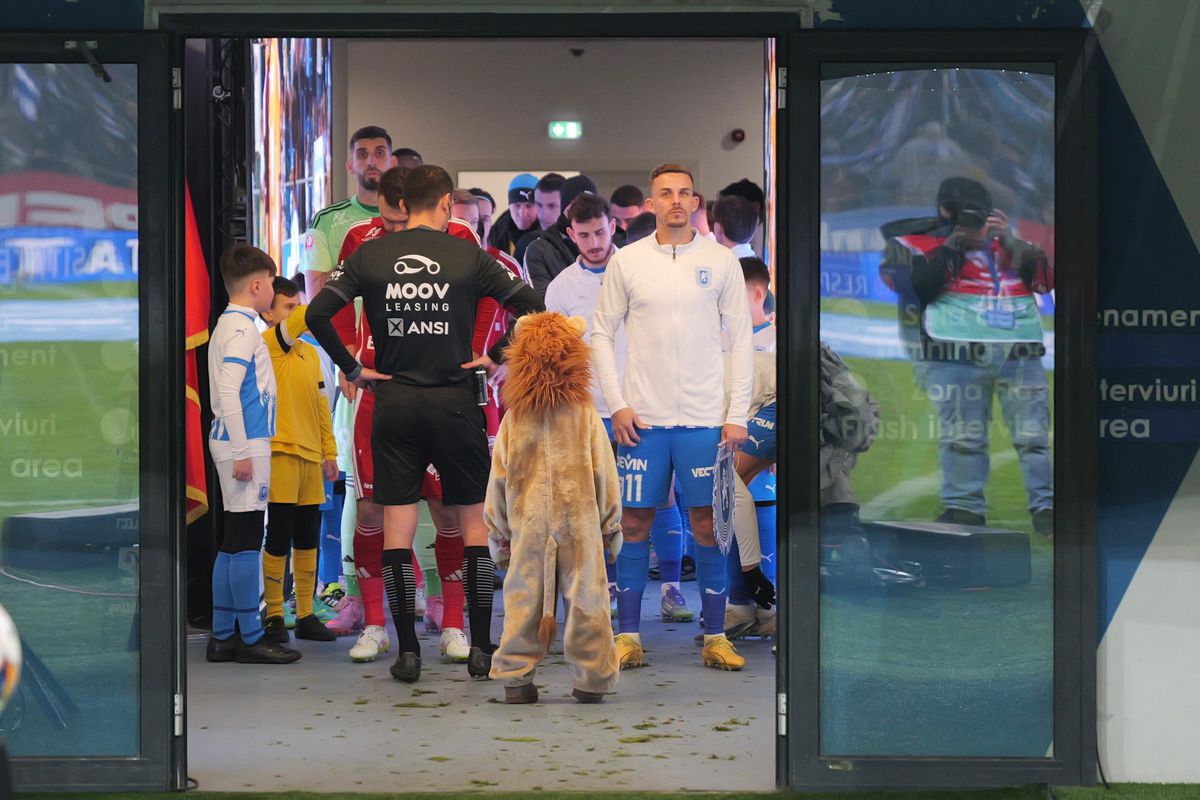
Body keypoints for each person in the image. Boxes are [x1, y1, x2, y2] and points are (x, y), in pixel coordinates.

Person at [306, 164, 545, 684]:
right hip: (457, 404)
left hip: (393, 403)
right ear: (442, 205)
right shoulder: (467, 253)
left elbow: (316, 314)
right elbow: (531, 304)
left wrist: (351, 368)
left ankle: (407, 651)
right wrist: (495, 355)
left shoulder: (369, 253)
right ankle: (481, 648)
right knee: (472, 526)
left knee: (396, 526)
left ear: (400, 204)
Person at [592, 162, 753, 672]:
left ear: (696, 202)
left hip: (707, 419)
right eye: (666, 193)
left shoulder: (721, 262)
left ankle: (714, 636)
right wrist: (616, 404)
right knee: (635, 521)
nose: (677, 201)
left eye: (685, 193)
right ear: (651, 203)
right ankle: (628, 636)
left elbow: (741, 340)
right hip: (645, 420)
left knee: (709, 524)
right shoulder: (628, 262)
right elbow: (599, 333)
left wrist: (737, 414)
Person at [330, 167, 477, 663]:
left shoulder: (457, 235)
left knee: (448, 509)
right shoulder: (357, 239)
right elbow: (327, 306)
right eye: (388, 225)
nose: (397, 235)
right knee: (372, 508)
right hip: (380, 391)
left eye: (402, 222)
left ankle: (454, 623)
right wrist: (349, 360)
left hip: (442, 394)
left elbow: (487, 301)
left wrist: (484, 354)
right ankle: (376, 624)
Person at [879, 176, 1053, 535]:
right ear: (945, 212)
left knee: (1033, 436)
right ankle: (964, 509)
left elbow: (1044, 283)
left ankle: (1047, 508)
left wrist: (1010, 242)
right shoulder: (916, 242)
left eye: (980, 214)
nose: (973, 222)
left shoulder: (1011, 245)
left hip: (1018, 351)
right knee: (963, 436)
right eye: (966, 214)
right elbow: (916, 288)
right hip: (955, 351)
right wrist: (955, 247)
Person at [485, 312, 622, 704]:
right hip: (580, 521)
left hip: (527, 523)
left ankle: (516, 677)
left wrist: (498, 529)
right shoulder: (584, 415)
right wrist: (611, 523)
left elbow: (499, 476)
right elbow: (604, 472)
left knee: (522, 597)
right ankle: (591, 680)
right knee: (588, 600)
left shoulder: (515, 417)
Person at [205, 243, 300, 665]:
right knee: (245, 540)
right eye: (270, 286)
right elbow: (228, 389)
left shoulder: (230, 323)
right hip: (243, 442)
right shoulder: (243, 329)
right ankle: (249, 635)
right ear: (258, 285)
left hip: (235, 439)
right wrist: (244, 451)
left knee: (233, 541)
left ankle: (225, 634)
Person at [258, 277, 340, 645]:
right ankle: (274, 613)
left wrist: (331, 453)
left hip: (311, 456)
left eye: (297, 305)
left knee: (308, 539)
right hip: (280, 451)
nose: (295, 314)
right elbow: (306, 318)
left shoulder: (310, 355)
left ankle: (305, 612)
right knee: (278, 535)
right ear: (269, 313)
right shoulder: (268, 345)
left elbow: (323, 404)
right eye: (287, 307)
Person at [302, 125, 391, 299]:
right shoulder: (326, 220)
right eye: (362, 155)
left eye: (379, 153)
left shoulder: (413, 216)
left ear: (393, 163)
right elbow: (314, 297)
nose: (371, 161)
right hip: (345, 324)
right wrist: (356, 262)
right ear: (350, 166)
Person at [523, 174, 598, 296]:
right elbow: (543, 305)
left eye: (591, 209)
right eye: (576, 209)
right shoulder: (539, 250)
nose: (584, 215)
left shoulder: (616, 245)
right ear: (563, 210)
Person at [512, 172, 565, 266]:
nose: (544, 214)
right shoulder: (526, 244)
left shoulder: (583, 240)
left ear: (566, 205)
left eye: (551, 206)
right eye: (539, 205)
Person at [487, 173, 539, 257]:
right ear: (509, 206)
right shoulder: (494, 237)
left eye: (529, 206)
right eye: (517, 205)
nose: (522, 213)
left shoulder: (551, 238)